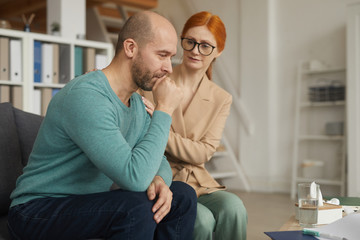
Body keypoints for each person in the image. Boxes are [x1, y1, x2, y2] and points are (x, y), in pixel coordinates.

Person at [7, 11, 197, 240]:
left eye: (170, 57)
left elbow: (160, 161)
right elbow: (134, 178)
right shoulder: (87, 96)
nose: (169, 68)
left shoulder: (136, 103)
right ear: (130, 48)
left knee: (183, 195)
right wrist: (164, 110)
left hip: (85, 202)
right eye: (162, 55)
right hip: (37, 210)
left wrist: (158, 180)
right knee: (136, 207)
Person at [141, 11, 247, 240]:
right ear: (182, 40)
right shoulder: (154, 81)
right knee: (202, 219)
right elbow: (142, 136)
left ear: (219, 51)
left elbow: (203, 153)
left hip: (198, 180)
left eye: (205, 46)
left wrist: (161, 125)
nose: (195, 51)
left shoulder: (221, 98)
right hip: (161, 177)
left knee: (234, 207)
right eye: (190, 42)